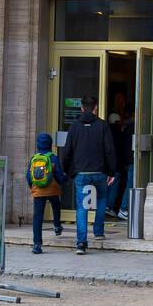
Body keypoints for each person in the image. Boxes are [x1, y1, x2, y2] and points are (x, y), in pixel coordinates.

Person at [60, 94, 116, 254]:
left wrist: (66, 169)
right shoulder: (102, 125)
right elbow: (109, 150)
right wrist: (111, 171)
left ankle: (81, 243)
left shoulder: (74, 126)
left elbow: (67, 150)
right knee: (102, 199)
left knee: (82, 206)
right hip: (99, 171)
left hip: (81, 173)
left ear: (82, 108)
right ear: (96, 108)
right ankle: (98, 232)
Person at [26, 132, 67, 254]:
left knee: (37, 217)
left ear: (38, 145)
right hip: (53, 190)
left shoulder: (34, 158)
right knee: (56, 205)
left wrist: (33, 187)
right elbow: (59, 175)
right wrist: (64, 180)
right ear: (50, 144)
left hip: (38, 191)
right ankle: (57, 226)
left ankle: (37, 244)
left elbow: (28, 176)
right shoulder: (53, 157)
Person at [106, 112, 132, 219]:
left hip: (105, 164)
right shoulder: (120, 134)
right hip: (116, 164)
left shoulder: (105, 131)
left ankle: (106, 206)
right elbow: (121, 150)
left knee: (106, 185)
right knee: (114, 184)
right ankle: (109, 206)